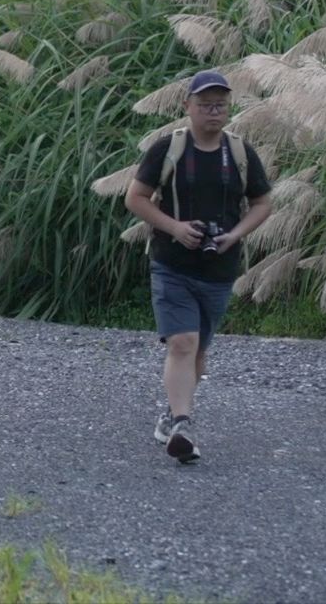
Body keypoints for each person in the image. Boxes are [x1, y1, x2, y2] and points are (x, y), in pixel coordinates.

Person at [124, 69, 272, 463]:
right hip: (171, 264)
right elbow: (136, 198)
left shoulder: (240, 153)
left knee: (198, 353)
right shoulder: (167, 148)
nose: (213, 111)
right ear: (187, 106)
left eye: (220, 105)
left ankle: (171, 414)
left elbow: (262, 203)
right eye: (205, 104)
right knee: (182, 343)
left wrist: (234, 234)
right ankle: (183, 425)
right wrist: (175, 227)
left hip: (219, 269)